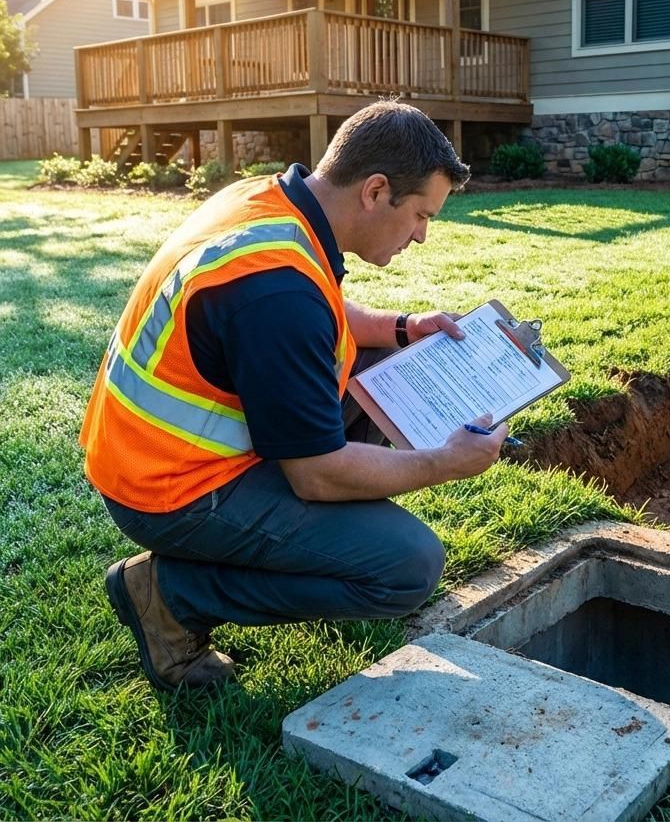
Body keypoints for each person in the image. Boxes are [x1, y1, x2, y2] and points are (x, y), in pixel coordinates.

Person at [80, 99, 508, 692]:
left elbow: (320, 309)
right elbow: (316, 475)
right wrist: (445, 463)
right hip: (170, 490)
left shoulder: (275, 203)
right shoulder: (275, 292)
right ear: (375, 190)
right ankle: (172, 596)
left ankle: (321, 543)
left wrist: (405, 327)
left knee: (391, 360)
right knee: (408, 566)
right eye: (419, 215)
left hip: (156, 456)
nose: (421, 235)